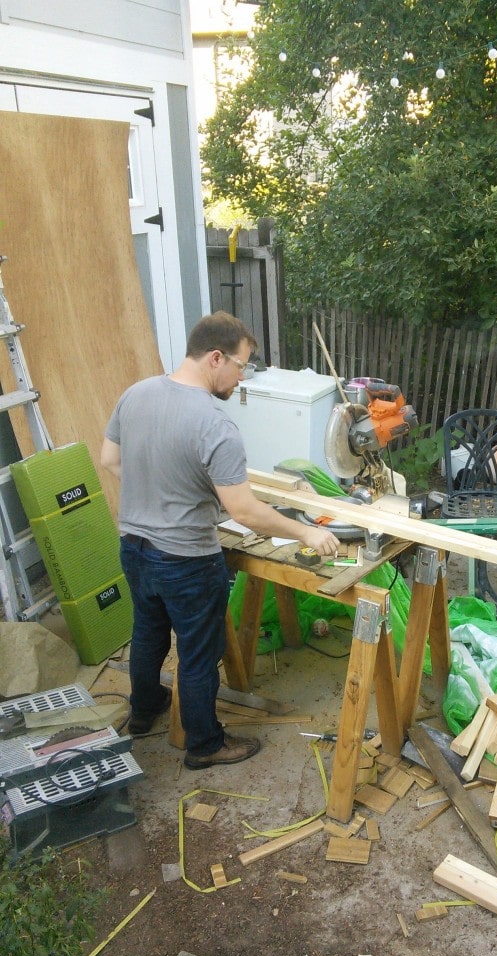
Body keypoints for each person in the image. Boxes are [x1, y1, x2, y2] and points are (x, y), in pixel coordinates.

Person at [101, 311, 339, 769]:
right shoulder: (214, 424)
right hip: (186, 560)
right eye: (241, 365)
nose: (242, 377)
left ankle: (144, 709)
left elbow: (111, 458)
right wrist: (306, 530)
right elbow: (245, 512)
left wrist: (158, 490)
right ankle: (205, 745)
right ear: (215, 358)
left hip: (134, 547)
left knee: (147, 633)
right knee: (196, 654)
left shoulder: (136, 394)